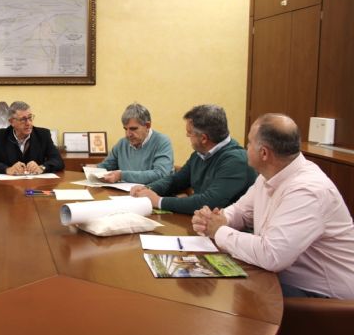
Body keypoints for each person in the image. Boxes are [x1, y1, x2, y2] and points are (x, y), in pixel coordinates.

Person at [192, 114, 354, 299]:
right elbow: (242, 211)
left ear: (264, 153)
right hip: (282, 279)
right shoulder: (269, 174)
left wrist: (219, 231)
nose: (246, 147)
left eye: (249, 142)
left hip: (323, 298)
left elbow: (272, 255)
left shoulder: (307, 191)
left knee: (224, 296)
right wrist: (215, 219)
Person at [131, 104, 256, 214]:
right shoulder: (200, 154)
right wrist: (148, 189)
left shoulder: (236, 161)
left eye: (189, 133)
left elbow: (209, 202)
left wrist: (159, 201)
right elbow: (176, 180)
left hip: (230, 232)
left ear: (203, 138)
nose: (187, 136)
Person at [95, 103, 173, 184]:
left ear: (147, 125)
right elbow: (106, 166)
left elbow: (161, 174)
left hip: (153, 194)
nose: (128, 134)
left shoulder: (162, 141)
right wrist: (94, 168)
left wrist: (122, 175)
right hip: (125, 194)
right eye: (126, 129)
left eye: (133, 129)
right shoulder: (122, 143)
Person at [0, 101, 64, 174]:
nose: (28, 123)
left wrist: (42, 167)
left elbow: (58, 161)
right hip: (8, 187)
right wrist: (6, 169)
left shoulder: (43, 135)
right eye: (23, 119)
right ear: (12, 122)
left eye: (30, 118)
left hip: (36, 186)